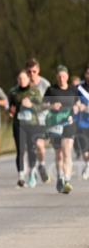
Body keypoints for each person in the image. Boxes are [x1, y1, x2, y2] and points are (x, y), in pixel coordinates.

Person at [43, 66, 78, 194]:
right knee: (59, 154)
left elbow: (77, 103)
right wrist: (51, 106)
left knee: (67, 151)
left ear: (67, 76)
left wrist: (77, 108)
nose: (61, 79)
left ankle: (67, 180)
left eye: (63, 76)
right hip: (55, 124)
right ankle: (60, 177)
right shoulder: (51, 90)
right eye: (59, 76)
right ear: (56, 77)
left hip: (69, 123)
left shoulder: (73, 90)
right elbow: (42, 105)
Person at [8, 69, 43, 188]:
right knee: (20, 150)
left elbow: (41, 107)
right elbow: (10, 107)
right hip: (19, 124)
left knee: (32, 149)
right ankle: (21, 176)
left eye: (24, 78)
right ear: (17, 80)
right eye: (20, 79)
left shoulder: (34, 91)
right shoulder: (13, 92)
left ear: (28, 79)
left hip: (32, 124)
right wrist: (11, 111)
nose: (22, 80)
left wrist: (31, 105)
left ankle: (32, 172)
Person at [25, 58, 51, 183]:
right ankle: (32, 170)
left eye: (34, 71)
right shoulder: (23, 84)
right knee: (30, 147)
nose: (31, 74)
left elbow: (50, 103)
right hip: (27, 121)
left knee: (40, 145)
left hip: (42, 120)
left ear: (38, 70)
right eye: (29, 72)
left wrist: (34, 106)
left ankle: (41, 165)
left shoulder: (45, 84)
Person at [76, 68, 89, 180]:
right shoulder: (79, 88)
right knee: (85, 152)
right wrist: (77, 104)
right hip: (82, 124)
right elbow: (74, 101)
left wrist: (86, 108)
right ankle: (88, 164)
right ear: (85, 74)